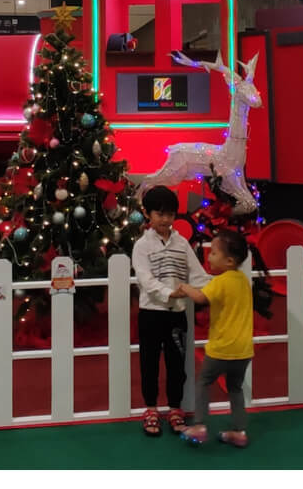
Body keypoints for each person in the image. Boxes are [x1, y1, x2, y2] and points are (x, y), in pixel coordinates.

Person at [132, 185, 210, 437]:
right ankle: (151, 409)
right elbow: (145, 279)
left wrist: (212, 290)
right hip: (151, 313)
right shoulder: (141, 246)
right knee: (149, 363)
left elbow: (197, 274)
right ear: (148, 214)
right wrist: (170, 293)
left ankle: (175, 408)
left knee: (177, 365)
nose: (165, 220)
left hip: (176, 315)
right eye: (160, 214)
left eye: (170, 214)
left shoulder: (182, 243)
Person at [176, 228, 254, 448]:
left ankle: (199, 425)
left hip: (221, 348)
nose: (209, 257)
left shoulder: (220, 282)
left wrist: (185, 287)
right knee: (235, 389)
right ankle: (239, 431)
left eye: (213, 253)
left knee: (204, 382)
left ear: (229, 261)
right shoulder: (242, 281)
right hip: (244, 349)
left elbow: (201, 297)